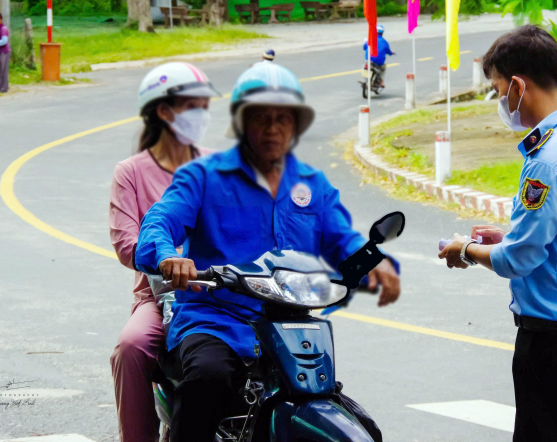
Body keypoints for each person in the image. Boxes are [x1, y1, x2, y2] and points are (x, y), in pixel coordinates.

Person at [134, 62, 401, 441]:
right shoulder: (203, 177)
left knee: (346, 413)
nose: (272, 127)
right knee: (208, 378)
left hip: (291, 324)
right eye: (261, 117)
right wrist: (166, 256)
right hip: (217, 318)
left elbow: (342, 238)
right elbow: (159, 221)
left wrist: (375, 262)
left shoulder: (312, 185)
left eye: (283, 118)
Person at [438, 25, 557, 442]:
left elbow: (518, 260)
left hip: (556, 341)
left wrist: (464, 248)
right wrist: (510, 236)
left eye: (499, 89)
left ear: (519, 85)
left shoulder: (548, 160)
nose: (501, 100)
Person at [109, 61, 219, 442]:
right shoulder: (131, 172)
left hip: (224, 293)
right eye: (194, 106)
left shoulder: (216, 165)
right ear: (164, 110)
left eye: (205, 107)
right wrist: (167, 258)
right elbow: (126, 244)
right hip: (160, 298)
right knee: (132, 346)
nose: (202, 115)